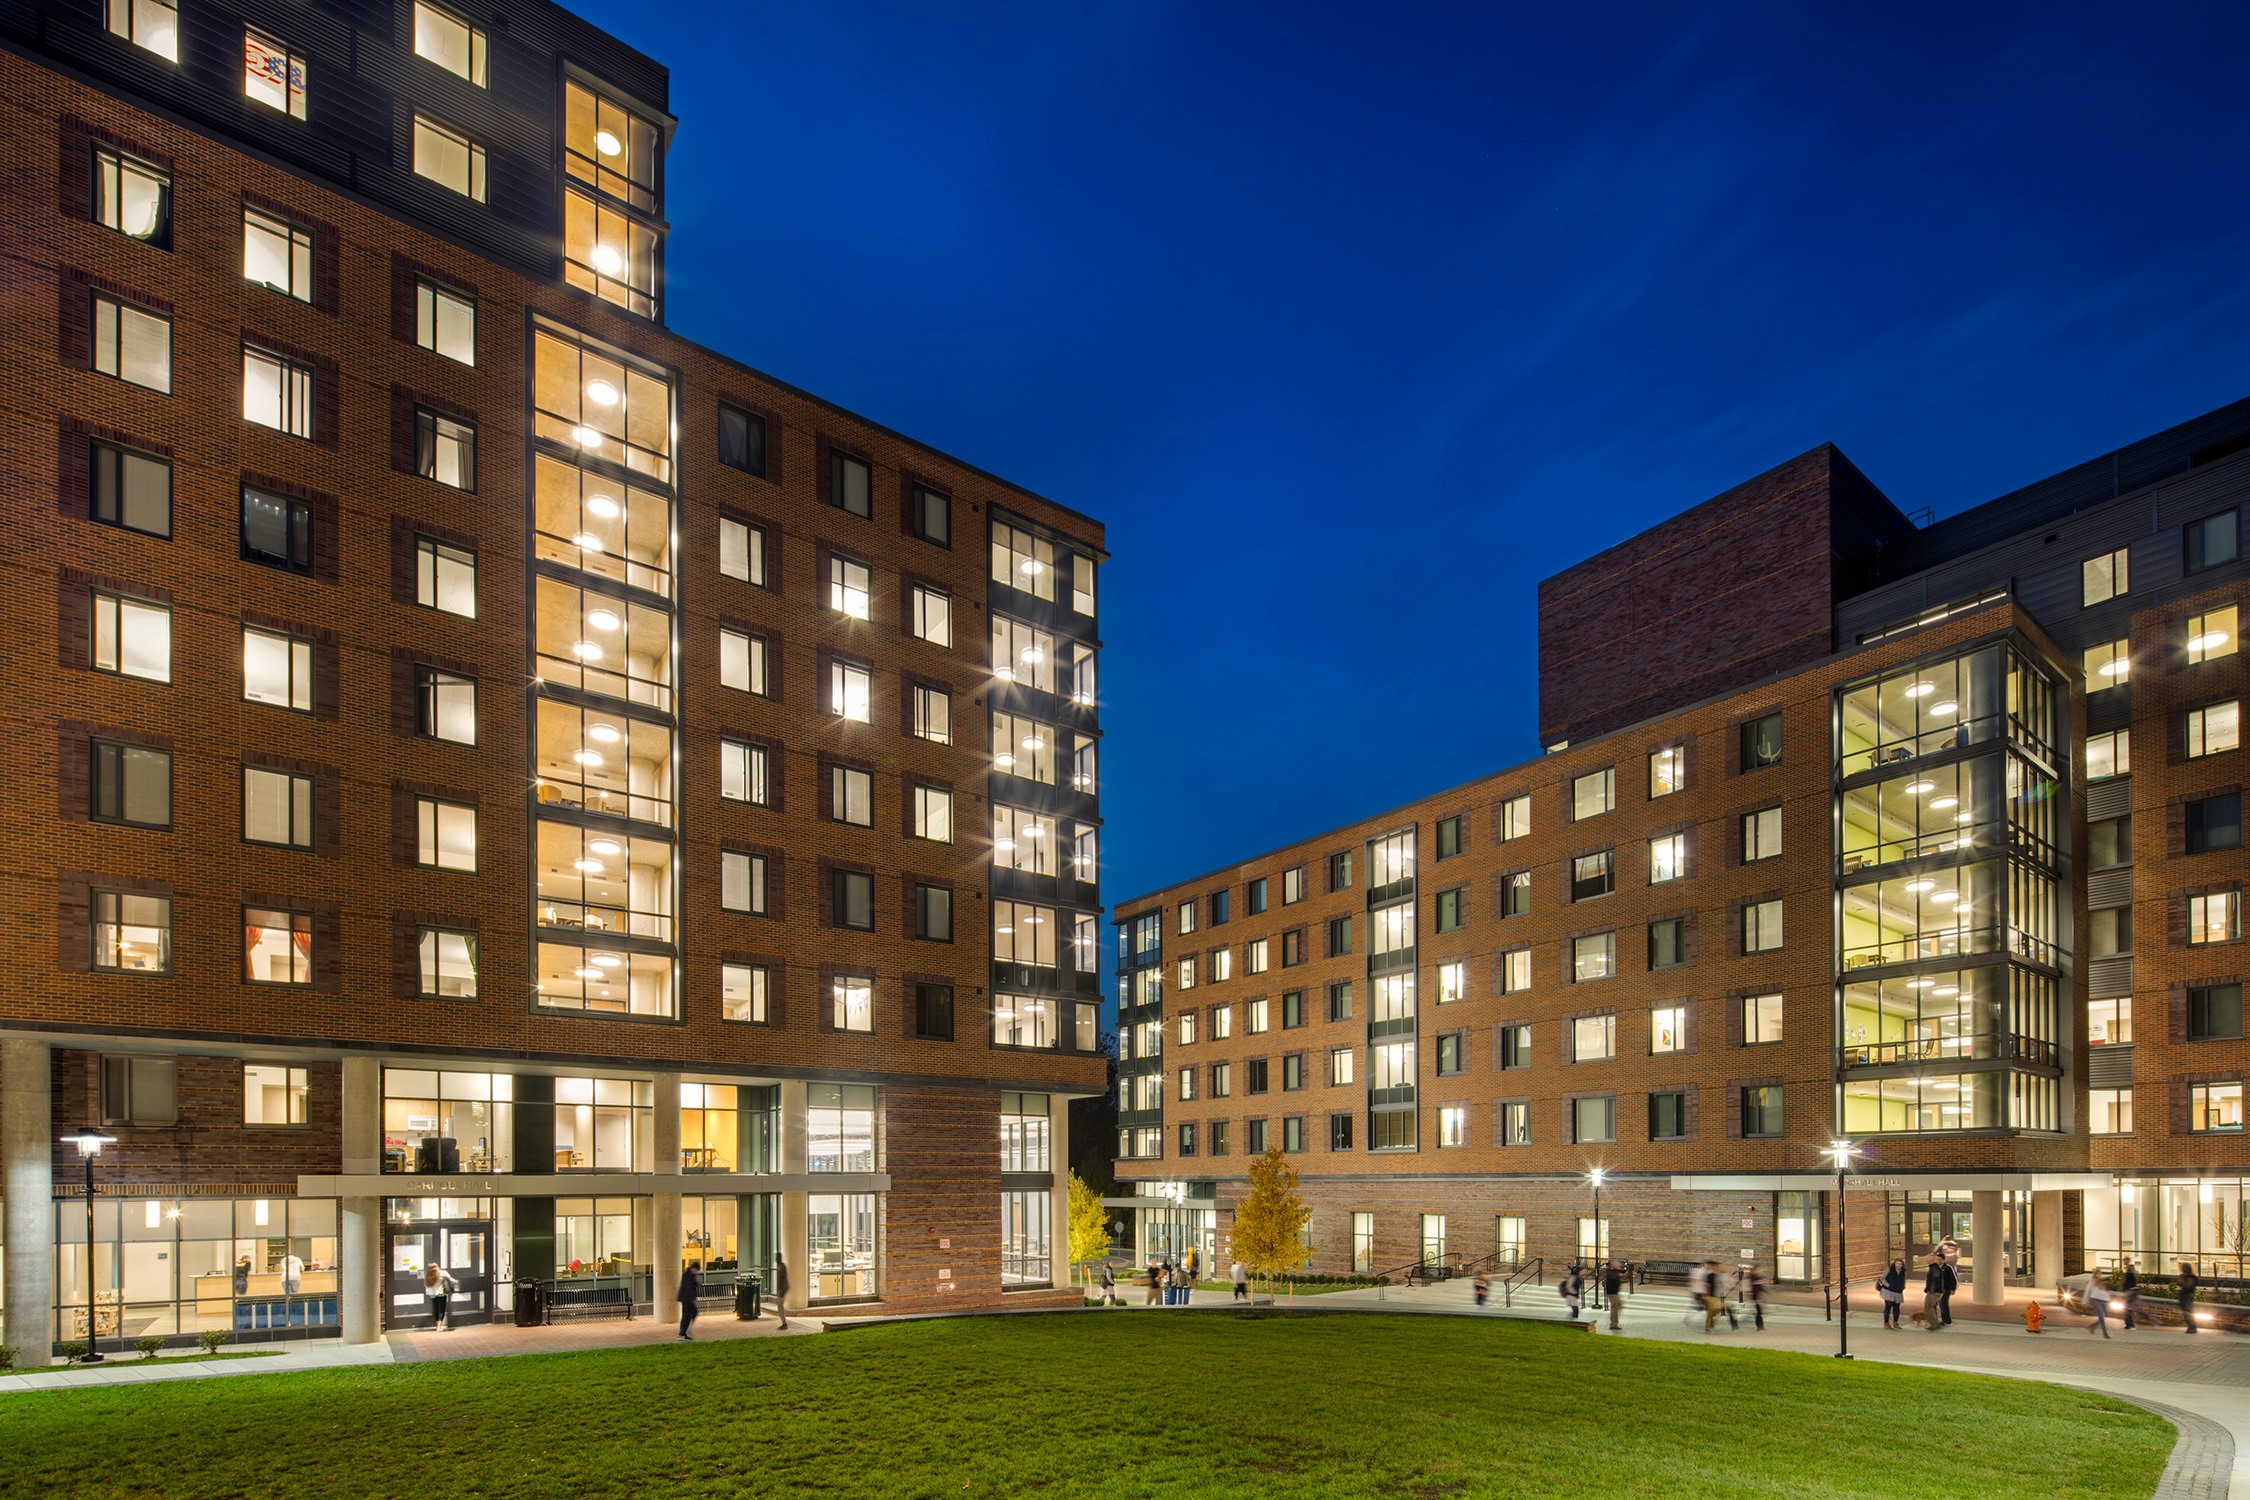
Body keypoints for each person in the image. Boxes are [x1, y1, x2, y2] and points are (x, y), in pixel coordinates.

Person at [1921, 1253, 1952, 1330]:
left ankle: (1933, 1324)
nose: (1926, 1260)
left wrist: (1930, 1290)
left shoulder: (1934, 1268)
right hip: (1936, 1291)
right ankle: (1935, 1323)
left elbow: (1935, 1280)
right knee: (1933, 1307)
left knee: (1928, 1307)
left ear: (1932, 1259)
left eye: (1927, 1258)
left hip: (1934, 1292)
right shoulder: (1935, 1268)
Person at [423, 1261, 458, 1330]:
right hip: (441, 1293)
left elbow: (426, 1285)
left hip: (432, 1294)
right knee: (441, 1309)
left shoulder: (429, 1275)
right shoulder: (442, 1273)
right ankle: (439, 1327)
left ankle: (437, 1325)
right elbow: (451, 1280)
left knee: (435, 1308)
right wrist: (458, 1282)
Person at [677, 1262, 703, 1340]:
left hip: (688, 1298)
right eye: (696, 1270)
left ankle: (683, 1332)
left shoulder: (690, 1275)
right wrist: (692, 1298)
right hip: (687, 1299)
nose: (696, 1272)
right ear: (693, 1268)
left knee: (690, 1314)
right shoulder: (687, 1276)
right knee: (687, 1315)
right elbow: (688, 1288)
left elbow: (691, 1286)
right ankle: (682, 1333)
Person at [1877, 1260, 1906, 1329]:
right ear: (1894, 1264)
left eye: (1900, 1264)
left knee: (1897, 1307)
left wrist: (1902, 1286)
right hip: (1888, 1291)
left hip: (1898, 1291)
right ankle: (1886, 1323)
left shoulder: (1903, 1272)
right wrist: (1887, 1285)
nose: (1899, 1265)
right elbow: (1882, 1278)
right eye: (1897, 1263)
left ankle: (1895, 1322)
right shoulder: (1889, 1270)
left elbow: (1903, 1280)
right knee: (1888, 1306)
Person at [2087, 1268, 2112, 1339]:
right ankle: (2105, 1332)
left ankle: (2093, 1326)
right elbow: (2088, 1290)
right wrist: (2085, 1301)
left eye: (2099, 1273)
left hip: (2104, 1300)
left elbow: (2106, 1292)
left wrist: (2108, 1299)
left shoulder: (2101, 1281)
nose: (2098, 1275)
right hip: (2095, 1299)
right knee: (2101, 1316)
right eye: (2097, 1273)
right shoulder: (2092, 1281)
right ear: (2095, 1274)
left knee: (2106, 1314)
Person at [770, 1253, 791, 1330]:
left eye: (777, 1257)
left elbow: (783, 1279)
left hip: (782, 1289)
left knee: (780, 1306)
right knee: (780, 1306)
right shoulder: (780, 1266)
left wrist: (782, 1290)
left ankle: (784, 1323)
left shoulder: (781, 1267)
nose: (775, 1259)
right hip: (781, 1289)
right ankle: (784, 1322)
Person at [1744, 1264, 1767, 1331]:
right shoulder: (1752, 1277)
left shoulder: (1758, 1277)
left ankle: (1761, 1326)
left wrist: (1765, 1293)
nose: (1760, 1271)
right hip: (1755, 1296)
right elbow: (1751, 1287)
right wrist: (1749, 1296)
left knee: (1759, 1311)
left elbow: (1761, 1287)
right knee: (1758, 1311)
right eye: (1758, 1270)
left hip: (1758, 1296)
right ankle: (1759, 1326)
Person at [2179, 1263, 2201, 1334]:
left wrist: (2182, 1279)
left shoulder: (2190, 1277)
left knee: (2188, 1313)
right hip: (2185, 1297)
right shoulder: (2185, 1276)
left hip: (2187, 1297)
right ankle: (2191, 1327)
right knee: (2187, 1313)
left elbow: (2187, 1286)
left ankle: (2192, 1327)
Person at [1602, 1259, 1623, 1331]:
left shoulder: (1614, 1271)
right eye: (1617, 1263)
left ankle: (1613, 1321)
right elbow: (1613, 1278)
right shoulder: (1611, 1271)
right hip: (1612, 1293)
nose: (1619, 1264)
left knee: (1618, 1306)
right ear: (1613, 1265)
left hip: (1615, 1292)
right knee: (1615, 1308)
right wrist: (1619, 1275)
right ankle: (1613, 1324)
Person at [2120, 1259, 2140, 1330]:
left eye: (2125, 1261)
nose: (2124, 1262)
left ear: (2127, 1261)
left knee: (2127, 1308)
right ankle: (2129, 1324)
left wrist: (2129, 1290)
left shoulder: (2130, 1270)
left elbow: (2132, 1282)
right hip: (2131, 1291)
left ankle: (2130, 1325)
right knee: (2128, 1308)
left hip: (2131, 1291)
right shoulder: (2130, 1270)